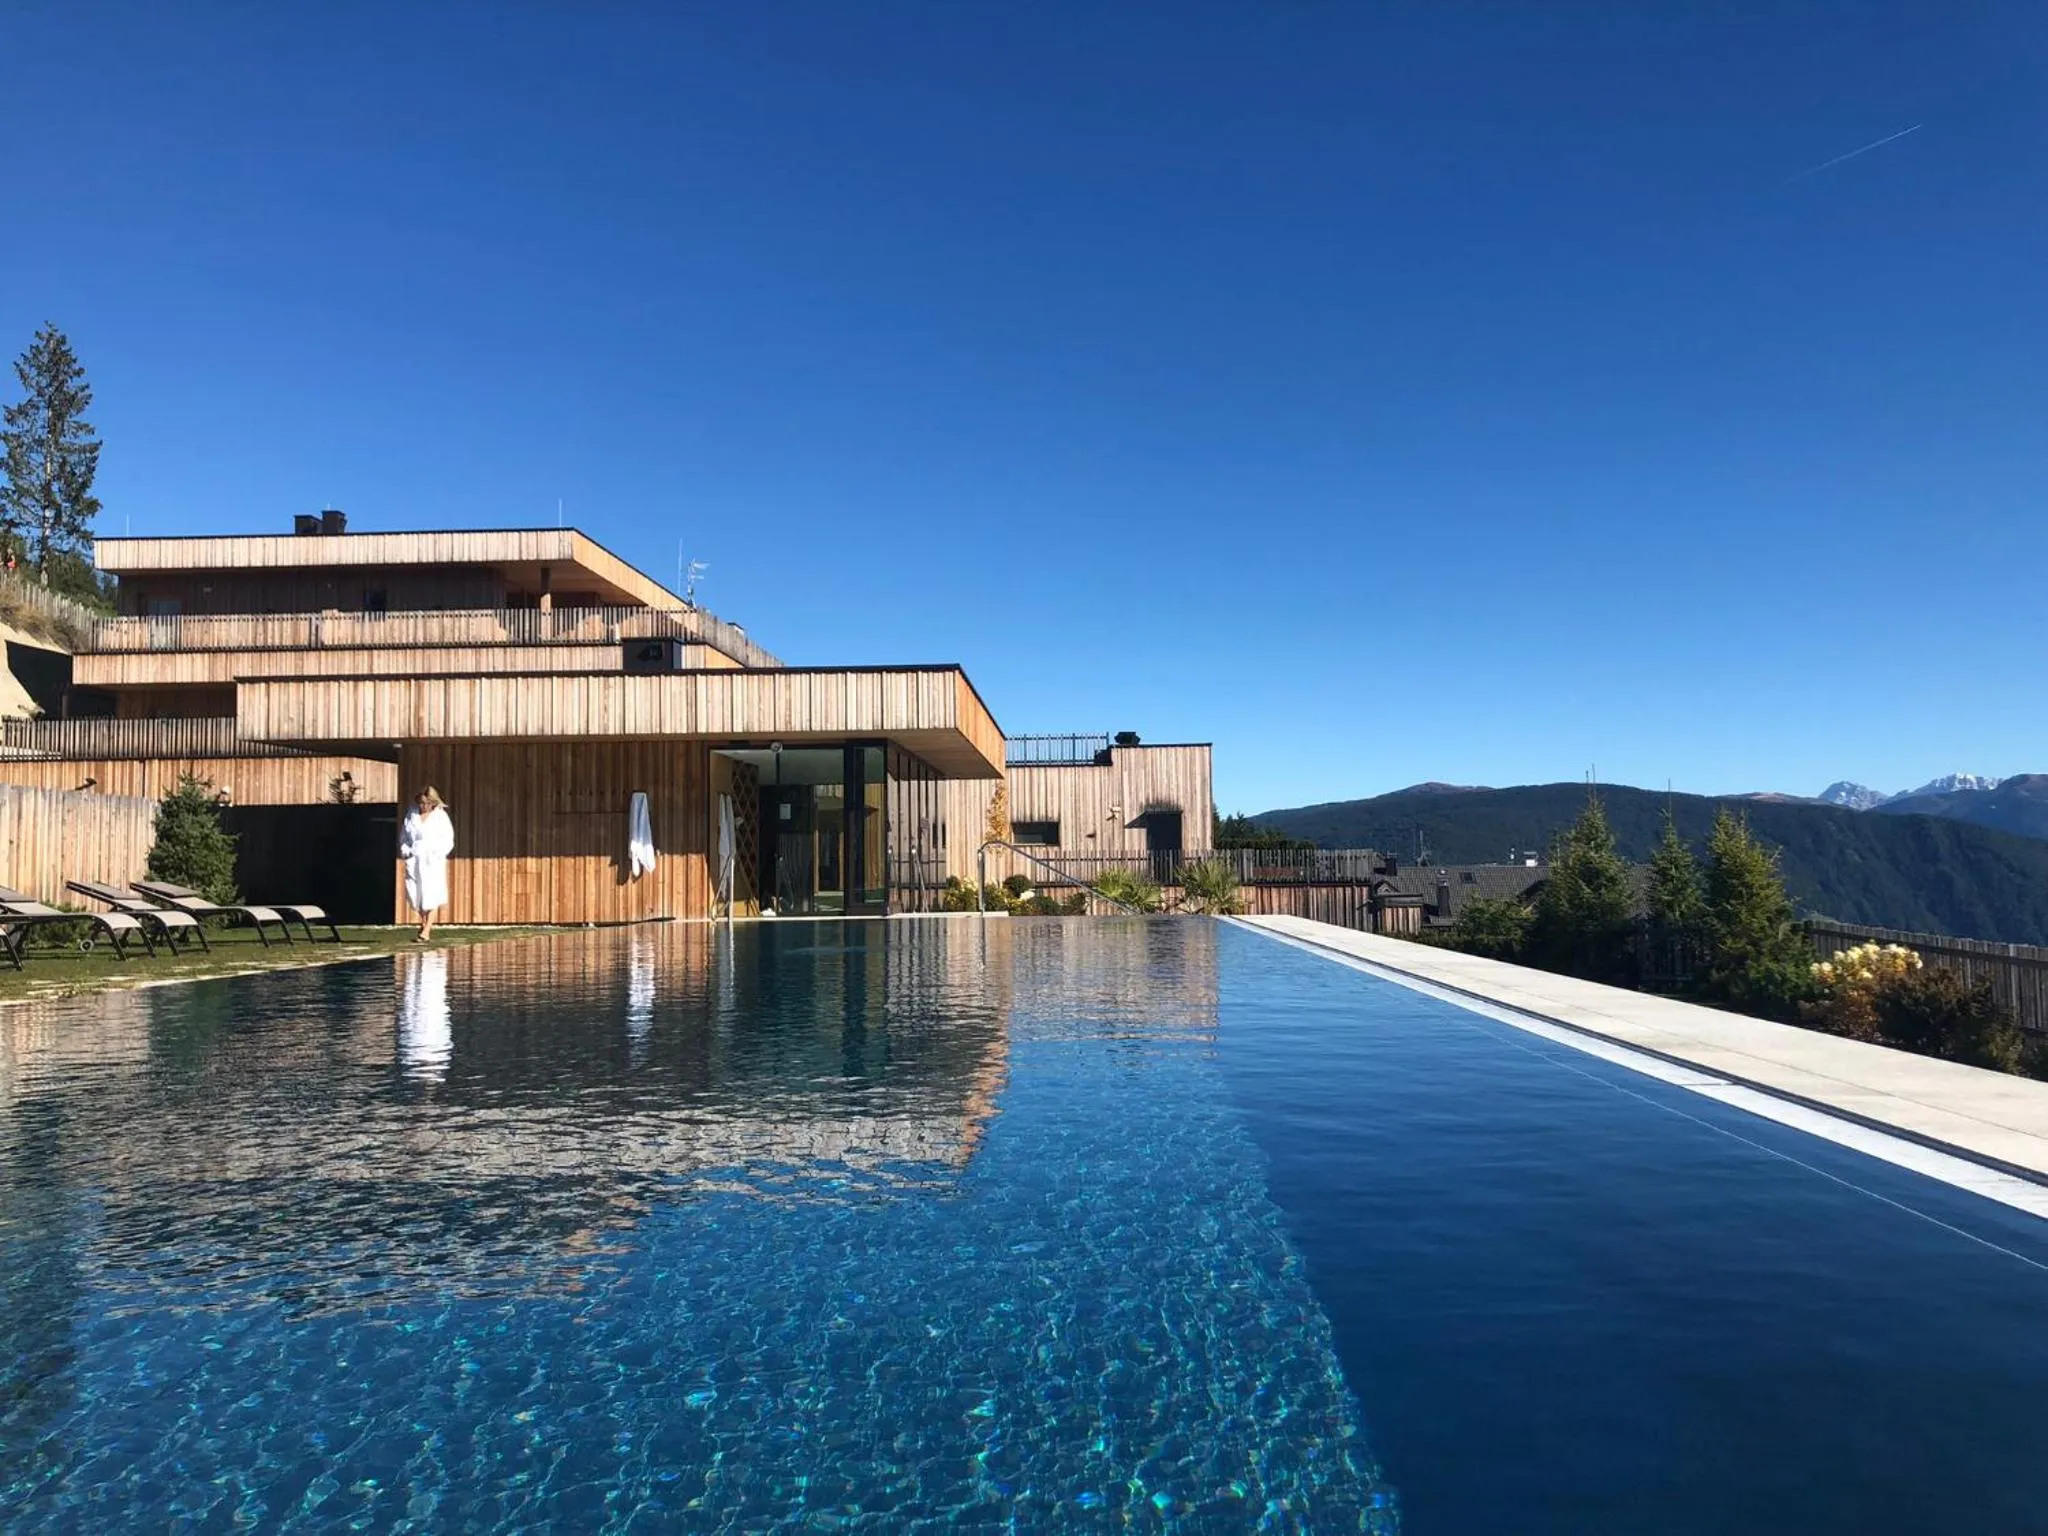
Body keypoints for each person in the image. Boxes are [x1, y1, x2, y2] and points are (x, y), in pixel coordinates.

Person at [399, 786, 455, 942]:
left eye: (426, 803)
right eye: (421, 803)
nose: (423, 806)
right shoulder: (412, 814)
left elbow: (448, 839)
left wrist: (438, 853)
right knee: (415, 892)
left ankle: (427, 930)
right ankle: (423, 922)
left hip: (432, 859)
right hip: (414, 858)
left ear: (433, 803)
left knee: (432, 892)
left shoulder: (440, 817)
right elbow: (404, 836)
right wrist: (406, 850)